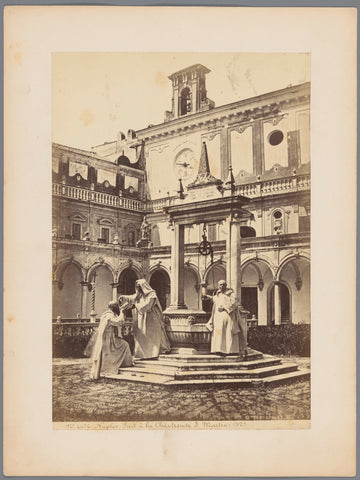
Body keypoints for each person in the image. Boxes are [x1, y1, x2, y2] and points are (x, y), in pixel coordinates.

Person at [118, 279, 171, 359]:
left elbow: (147, 305)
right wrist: (123, 297)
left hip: (152, 319)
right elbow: (132, 298)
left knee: (152, 336)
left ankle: (153, 354)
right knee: (142, 336)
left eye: (139, 287)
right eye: (137, 288)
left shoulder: (152, 294)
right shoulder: (139, 295)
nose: (138, 289)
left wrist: (135, 305)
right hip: (142, 319)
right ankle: (144, 354)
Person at [86, 301, 133, 380]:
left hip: (109, 338)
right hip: (108, 340)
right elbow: (119, 322)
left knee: (124, 344)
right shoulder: (109, 316)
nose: (118, 307)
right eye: (117, 306)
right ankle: (123, 364)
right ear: (114, 308)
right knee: (125, 345)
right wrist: (122, 311)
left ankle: (123, 363)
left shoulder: (106, 314)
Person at [203, 280, 243, 355]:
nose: (221, 286)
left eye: (223, 285)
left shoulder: (231, 294)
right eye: (220, 285)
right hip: (217, 317)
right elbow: (215, 299)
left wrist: (225, 308)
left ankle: (230, 351)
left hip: (228, 316)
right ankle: (219, 350)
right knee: (218, 333)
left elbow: (234, 303)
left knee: (228, 333)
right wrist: (208, 297)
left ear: (226, 285)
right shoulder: (218, 294)